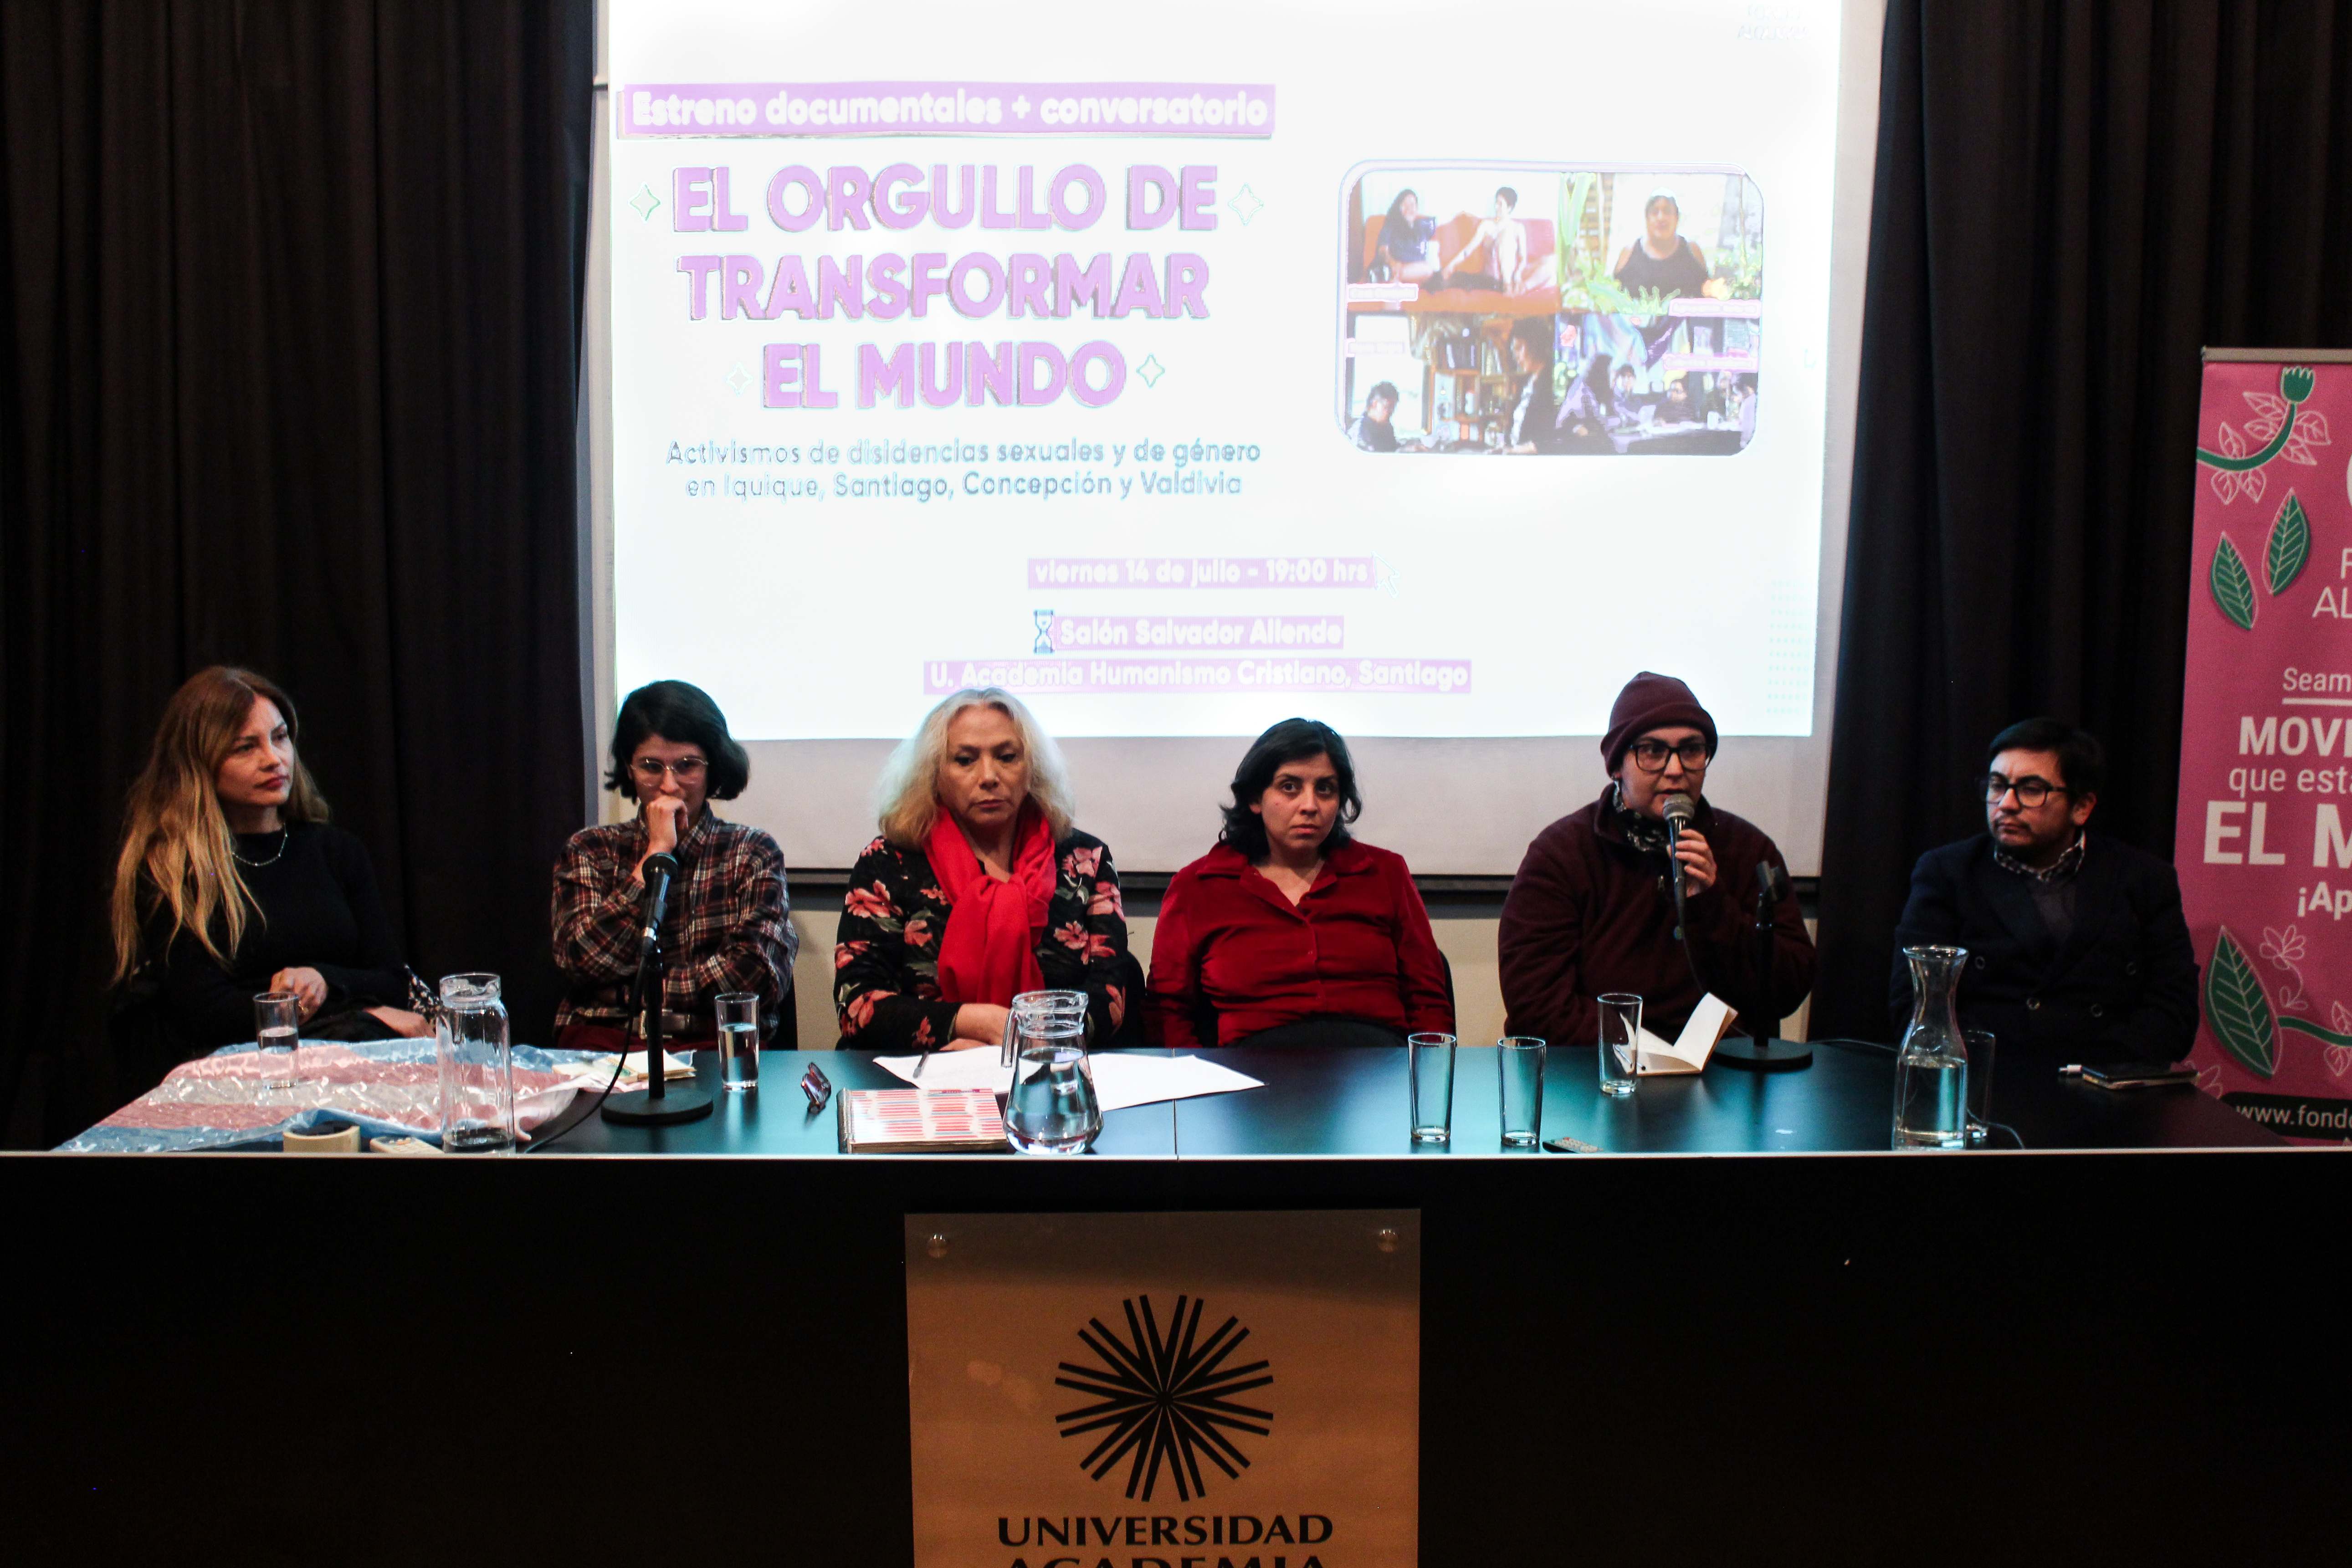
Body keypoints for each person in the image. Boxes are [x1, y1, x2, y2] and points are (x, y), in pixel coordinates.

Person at [109, 667, 427, 1088]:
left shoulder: (337, 852)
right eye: (246, 747)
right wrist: (359, 1016)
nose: (274, 759)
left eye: (280, 738)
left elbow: (391, 982)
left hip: (355, 1072)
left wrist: (322, 979)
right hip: (233, 1082)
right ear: (199, 764)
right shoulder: (173, 870)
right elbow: (203, 1014)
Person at [1499, 672, 1816, 1048]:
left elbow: (1788, 988)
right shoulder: (1562, 854)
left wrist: (1713, 904)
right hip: (1601, 1074)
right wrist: (1644, 1051)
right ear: (1617, 766)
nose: (1675, 769)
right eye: (1652, 751)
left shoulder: (1746, 849)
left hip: (1723, 1078)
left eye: (1691, 750)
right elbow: (1535, 1003)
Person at [834, 688, 1129, 1052]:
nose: (988, 776)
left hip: (1052, 1075)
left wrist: (1027, 1042)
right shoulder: (886, 862)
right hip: (917, 1082)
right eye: (964, 760)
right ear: (934, 774)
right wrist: (967, 1024)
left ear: (1032, 770)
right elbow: (858, 1006)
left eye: (1007, 757)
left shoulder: (1087, 860)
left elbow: (1110, 998)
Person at [1890, 718, 2197, 1064]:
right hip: (1988, 1082)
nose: (2006, 803)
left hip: (2108, 1085)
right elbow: (1916, 1003)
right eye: (1996, 785)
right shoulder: (1947, 872)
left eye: (2031, 789)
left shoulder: (2142, 878)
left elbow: (2174, 1009)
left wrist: (2098, 1073)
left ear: (2081, 807)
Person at [1148, 718, 1453, 1048]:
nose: (1310, 806)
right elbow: (1168, 1012)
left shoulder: (1384, 873)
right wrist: (1198, 1087)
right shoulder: (1199, 886)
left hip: (1377, 1073)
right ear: (1255, 798)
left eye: (1325, 789)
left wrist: (1429, 1080)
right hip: (1250, 1080)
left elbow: (1427, 1000)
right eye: (1289, 787)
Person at [551, 681, 794, 1051]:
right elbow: (581, 960)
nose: (669, 785)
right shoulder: (590, 849)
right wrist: (656, 853)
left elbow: (753, 977)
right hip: (604, 1047)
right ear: (630, 769)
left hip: (714, 1049)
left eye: (687, 766)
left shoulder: (751, 851)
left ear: (713, 767)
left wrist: (626, 992)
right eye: (651, 767)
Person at [1612, 188, 1724, 357]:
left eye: (1667, 212)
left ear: (1677, 218)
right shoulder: (1629, 252)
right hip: (1637, 347)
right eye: (1655, 212)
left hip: (1684, 347)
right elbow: (1612, 300)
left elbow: (1707, 293)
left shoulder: (1692, 250)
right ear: (1647, 218)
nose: (1661, 218)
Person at [1437, 186, 1541, 294]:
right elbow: (1469, 249)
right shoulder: (1487, 225)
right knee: (1505, 237)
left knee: (1552, 262)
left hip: (1513, 277)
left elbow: (1523, 258)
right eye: (1496, 203)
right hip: (1492, 280)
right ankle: (1507, 287)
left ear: (1510, 208)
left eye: (1501, 204)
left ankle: (1511, 285)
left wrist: (1518, 274)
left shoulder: (1518, 228)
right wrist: (1450, 265)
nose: (1496, 207)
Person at [1501, 316, 1561, 454]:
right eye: (1514, 350)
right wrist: (1505, 447)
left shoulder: (1553, 383)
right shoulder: (1525, 382)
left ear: (1536, 345)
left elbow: (1556, 435)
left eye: (1520, 348)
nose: (1516, 356)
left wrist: (1519, 451)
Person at [1373, 189, 1441, 284]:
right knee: (1395, 285)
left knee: (1428, 269)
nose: (1409, 209)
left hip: (1418, 274)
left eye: (1412, 205)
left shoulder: (1423, 226)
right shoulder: (1391, 224)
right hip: (1396, 268)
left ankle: (1393, 275)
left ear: (1417, 209)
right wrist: (1392, 263)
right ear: (1399, 208)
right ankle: (1394, 277)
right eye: (1405, 205)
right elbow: (1383, 250)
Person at [1349, 381, 1402, 451]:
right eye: (1388, 407)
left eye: (1393, 408)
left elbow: (1392, 450)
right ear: (1375, 404)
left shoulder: (1387, 428)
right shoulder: (1360, 431)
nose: (1391, 412)